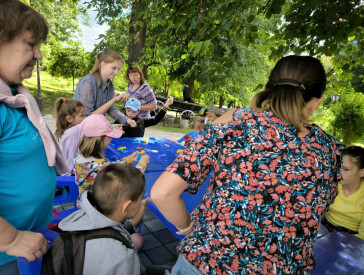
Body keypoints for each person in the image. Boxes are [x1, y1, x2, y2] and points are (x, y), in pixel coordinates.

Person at [151, 55, 343, 274]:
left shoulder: (237, 121)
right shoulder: (331, 151)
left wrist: (187, 228)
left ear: (266, 88)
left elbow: (162, 193)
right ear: (317, 101)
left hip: (207, 262)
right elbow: (317, 209)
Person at [0, 1, 68, 273]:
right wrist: (11, 238)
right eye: (30, 44)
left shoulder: (14, 98)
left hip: (29, 238)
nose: (38, 54)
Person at [58, 163, 151, 274]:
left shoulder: (82, 217)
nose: (141, 201)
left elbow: (118, 229)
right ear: (127, 207)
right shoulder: (120, 256)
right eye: (140, 198)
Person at [74, 114, 149, 198]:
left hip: (85, 203)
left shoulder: (80, 158)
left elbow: (107, 167)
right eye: (109, 137)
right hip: (101, 208)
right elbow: (128, 181)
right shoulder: (99, 167)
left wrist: (128, 160)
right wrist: (142, 165)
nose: (111, 140)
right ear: (99, 139)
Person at [73, 49, 136, 127]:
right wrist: (114, 100)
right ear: (102, 64)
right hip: (79, 131)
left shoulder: (110, 85)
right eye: (114, 68)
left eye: (118, 69)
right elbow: (87, 118)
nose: (116, 72)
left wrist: (126, 119)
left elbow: (111, 109)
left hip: (93, 129)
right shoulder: (88, 83)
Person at [322, 145, 364, 239]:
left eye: (346, 169)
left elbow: (362, 236)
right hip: (324, 227)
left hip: (350, 238)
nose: (339, 172)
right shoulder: (333, 184)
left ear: (362, 172)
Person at [55, 98, 86, 175]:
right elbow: (71, 156)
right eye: (82, 116)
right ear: (69, 119)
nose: (85, 118)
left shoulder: (73, 130)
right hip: (72, 173)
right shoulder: (74, 131)